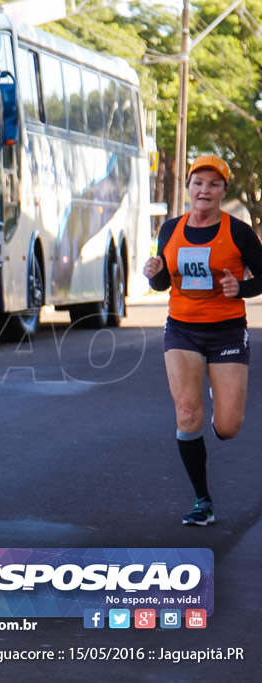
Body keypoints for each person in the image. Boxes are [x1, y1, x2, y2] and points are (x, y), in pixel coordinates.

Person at [143, 154, 262, 526]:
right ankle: (202, 500)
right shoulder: (170, 230)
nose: (204, 190)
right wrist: (153, 274)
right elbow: (164, 282)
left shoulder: (239, 232)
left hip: (226, 330)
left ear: (224, 190)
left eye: (213, 184)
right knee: (187, 412)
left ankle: (219, 402)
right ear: (189, 188)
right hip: (182, 329)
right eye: (198, 183)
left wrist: (239, 287)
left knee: (227, 427)